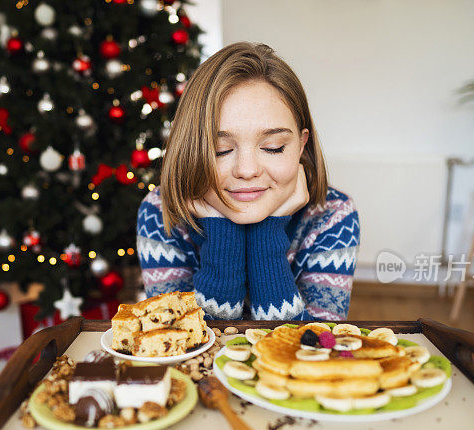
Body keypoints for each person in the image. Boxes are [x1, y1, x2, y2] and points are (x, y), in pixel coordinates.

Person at [136, 42, 359, 321]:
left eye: (274, 147)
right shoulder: (160, 213)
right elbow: (175, 345)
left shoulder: (333, 216)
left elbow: (313, 354)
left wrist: (267, 239)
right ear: (190, 148)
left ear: (301, 145)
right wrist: (222, 238)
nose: (247, 170)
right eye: (221, 150)